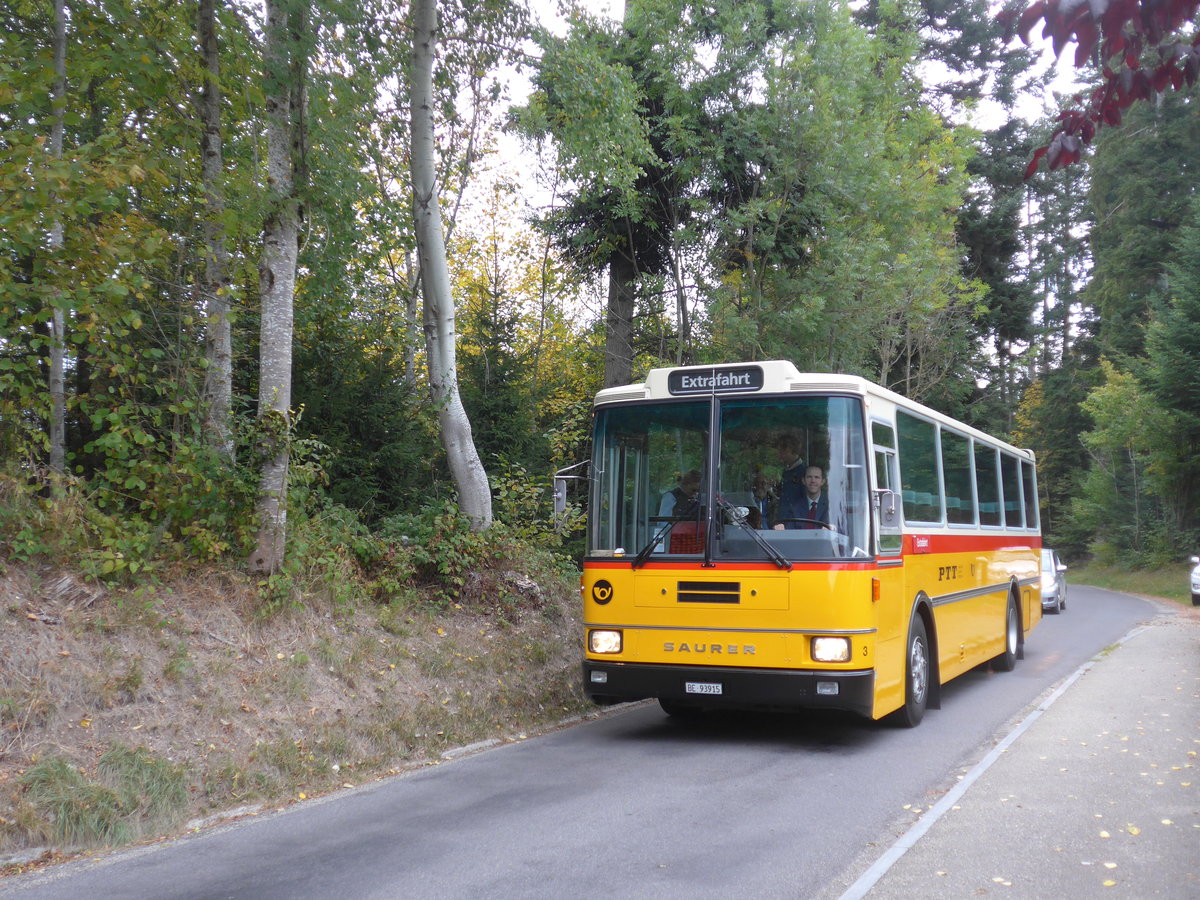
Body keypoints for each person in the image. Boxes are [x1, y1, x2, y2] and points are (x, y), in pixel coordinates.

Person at [772, 434, 807, 526]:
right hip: (783, 522)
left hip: (796, 523)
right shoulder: (786, 471)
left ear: (789, 450)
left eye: (780, 451)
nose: (778, 454)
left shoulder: (804, 473)